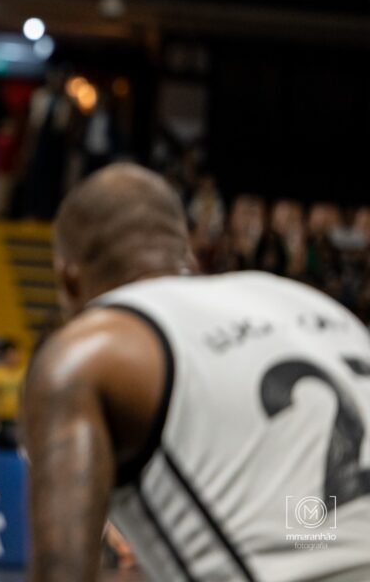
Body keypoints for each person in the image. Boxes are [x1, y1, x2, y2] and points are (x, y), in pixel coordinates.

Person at [24, 163, 370, 581]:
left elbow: (62, 572)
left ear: (68, 279)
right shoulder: (312, 303)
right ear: (186, 250)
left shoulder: (90, 350)